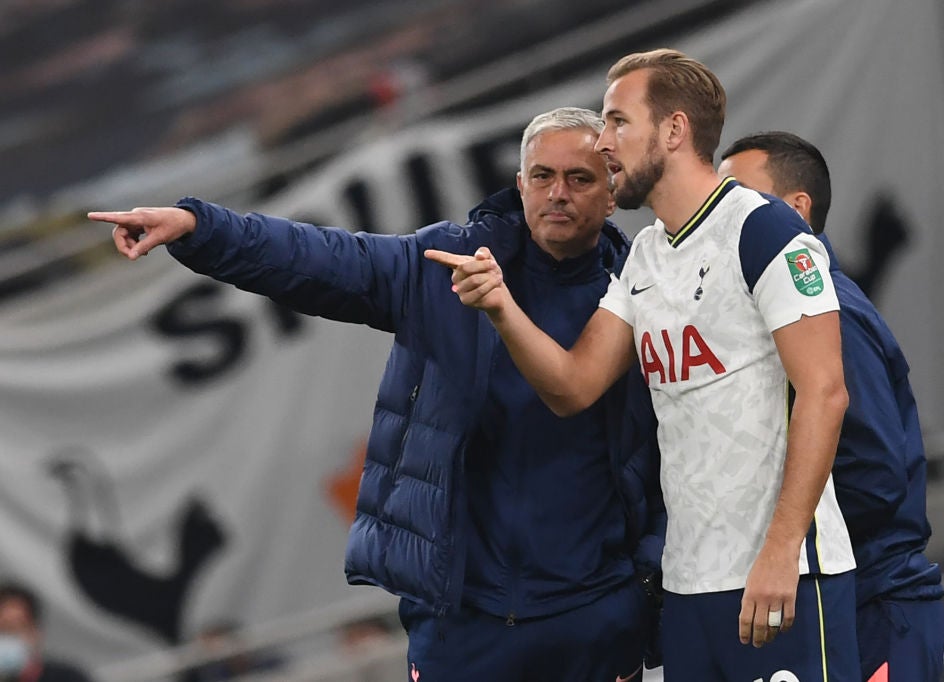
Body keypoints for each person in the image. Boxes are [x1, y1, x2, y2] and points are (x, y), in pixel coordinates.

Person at [89, 106, 665, 682]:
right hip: (464, 628)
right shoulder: (443, 265)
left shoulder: (645, 295)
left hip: (594, 621)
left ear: (613, 193)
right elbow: (319, 257)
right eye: (542, 176)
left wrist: (635, 599)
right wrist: (201, 229)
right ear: (519, 185)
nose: (557, 193)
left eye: (580, 178)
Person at [427, 49, 861, 682]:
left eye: (616, 122)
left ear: (674, 131)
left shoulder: (762, 231)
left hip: (784, 576)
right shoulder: (644, 258)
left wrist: (780, 551)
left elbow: (825, 392)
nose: (602, 143)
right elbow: (573, 386)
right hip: (688, 590)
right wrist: (500, 305)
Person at [718, 131, 944, 682]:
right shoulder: (772, 313)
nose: (722, 218)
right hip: (837, 596)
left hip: (870, 602)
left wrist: (775, 537)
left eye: (739, 199)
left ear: (797, 209)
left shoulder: (829, 312)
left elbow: (874, 473)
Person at [0, 582, 92, 682]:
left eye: (14, 628)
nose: (7, 637)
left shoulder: (68, 678)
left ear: (35, 632)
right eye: (2, 630)